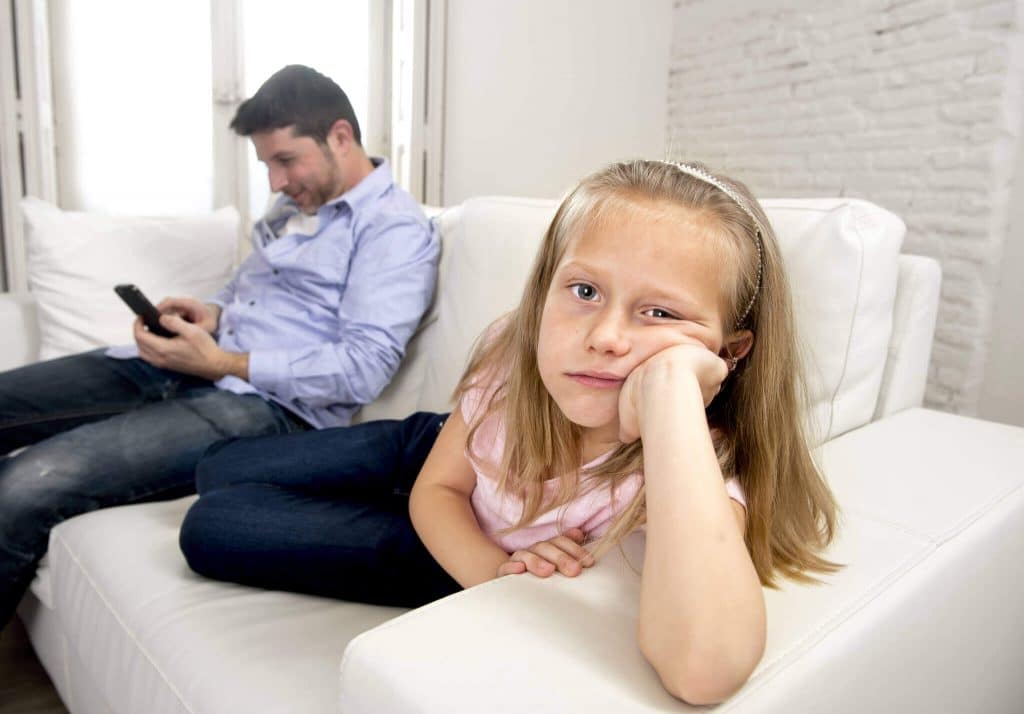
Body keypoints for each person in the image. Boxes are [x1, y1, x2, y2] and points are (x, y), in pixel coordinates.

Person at [179, 159, 838, 704]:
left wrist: (669, 396)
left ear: (729, 352)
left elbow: (705, 669)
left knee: (210, 526)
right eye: (583, 292)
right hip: (434, 448)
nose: (605, 338)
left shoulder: (694, 466)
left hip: (456, 546)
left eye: (660, 312)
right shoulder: (512, 345)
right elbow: (439, 483)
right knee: (215, 468)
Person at [0, 64, 438, 628]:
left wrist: (225, 362)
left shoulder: (393, 229)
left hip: (267, 410)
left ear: (340, 137)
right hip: (194, 365)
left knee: (29, 484)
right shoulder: (292, 211)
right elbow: (249, 294)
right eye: (267, 166)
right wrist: (210, 313)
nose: (276, 183)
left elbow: (363, 367)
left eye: (285, 161)